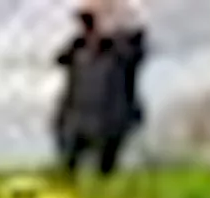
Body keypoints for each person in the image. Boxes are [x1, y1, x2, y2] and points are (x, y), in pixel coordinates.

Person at [52, 7, 147, 177]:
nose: (88, 27)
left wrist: (111, 35)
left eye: (92, 21)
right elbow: (60, 59)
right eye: (85, 22)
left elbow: (133, 53)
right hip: (75, 118)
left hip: (110, 119)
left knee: (105, 172)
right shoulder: (77, 48)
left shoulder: (125, 48)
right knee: (67, 170)